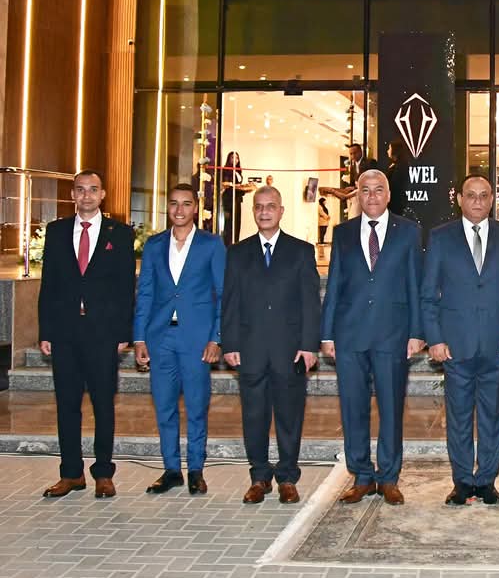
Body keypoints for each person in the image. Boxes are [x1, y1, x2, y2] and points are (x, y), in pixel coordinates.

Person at [421, 174, 499, 506]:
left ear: (492, 199)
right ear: (459, 199)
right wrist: (434, 339)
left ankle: (487, 482)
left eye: (484, 195)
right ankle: (463, 481)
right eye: (471, 195)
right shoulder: (440, 237)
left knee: (492, 417)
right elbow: (428, 295)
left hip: (497, 344)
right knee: (458, 418)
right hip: (455, 345)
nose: (478, 201)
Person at [321, 169, 425, 505]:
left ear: (389, 194)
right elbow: (334, 284)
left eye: (379, 189)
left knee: (391, 408)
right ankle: (362, 476)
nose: (372, 196)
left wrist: (417, 331)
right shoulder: (343, 233)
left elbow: (415, 284)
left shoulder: (409, 232)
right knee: (353, 408)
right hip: (349, 334)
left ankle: (389, 477)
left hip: (392, 334)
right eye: (365, 190)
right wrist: (327, 333)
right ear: (358, 195)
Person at [38, 170, 135, 499]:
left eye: (93, 189)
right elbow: (48, 284)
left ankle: (103, 473)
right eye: (80, 190)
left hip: (103, 333)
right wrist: (45, 330)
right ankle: (71, 473)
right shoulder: (56, 232)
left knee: (103, 404)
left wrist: (123, 332)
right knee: (67, 404)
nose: (87, 195)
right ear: (73, 195)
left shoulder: (120, 233)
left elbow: (126, 286)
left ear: (103, 194)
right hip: (64, 332)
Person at [222, 186, 321, 504]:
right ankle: (259, 477)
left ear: (281, 211)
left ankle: (288, 478)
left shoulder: (301, 251)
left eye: (270, 206)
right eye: (259, 207)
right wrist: (230, 342)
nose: (264, 212)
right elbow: (230, 302)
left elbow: (310, 303)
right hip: (250, 349)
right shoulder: (237, 253)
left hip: (289, 350)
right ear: (253, 211)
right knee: (254, 416)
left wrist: (309, 345)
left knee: (290, 416)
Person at [133, 184, 226, 495]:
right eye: (174, 203)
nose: (179, 210)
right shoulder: (154, 245)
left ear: (195, 208)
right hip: (160, 337)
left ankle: (196, 469)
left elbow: (223, 294)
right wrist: (139, 338)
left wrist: (216, 338)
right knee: (164, 407)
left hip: (197, 339)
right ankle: (171, 469)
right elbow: (145, 292)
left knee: (197, 407)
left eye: (186, 204)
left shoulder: (212, 244)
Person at [322, 143, 378, 220]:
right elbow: (353, 184)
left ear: (360, 152)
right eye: (351, 154)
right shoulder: (352, 167)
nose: (353, 156)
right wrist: (352, 188)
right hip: (357, 197)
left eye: (355, 153)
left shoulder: (370, 162)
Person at [221, 151, 255, 246]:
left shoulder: (238, 171)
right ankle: (227, 246)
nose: (235, 160)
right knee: (229, 224)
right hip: (229, 200)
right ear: (229, 159)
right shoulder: (225, 170)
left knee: (236, 224)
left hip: (237, 200)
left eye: (237, 158)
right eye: (233, 157)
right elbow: (226, 185)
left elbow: (238, 187)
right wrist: (240, 187)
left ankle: (235, 244)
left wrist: (246, 188)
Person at [386, 138, 411, 217]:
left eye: (389, 148)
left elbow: (395, 184)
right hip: (394, 200)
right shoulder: (396, 164)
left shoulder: (400, 166)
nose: (387, 151)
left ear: (395, 150)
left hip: (396, 201)